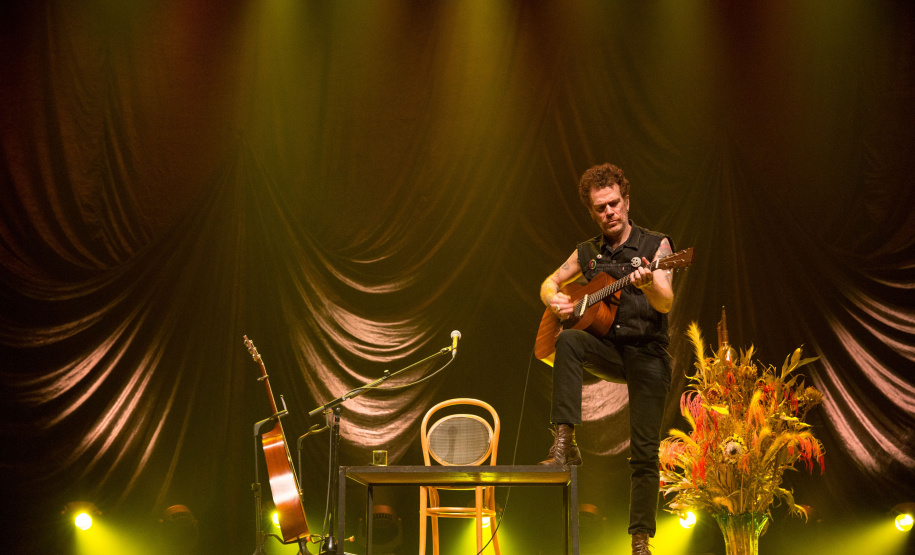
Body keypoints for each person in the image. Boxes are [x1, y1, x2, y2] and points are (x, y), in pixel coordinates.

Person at [538, 163, 674, 555]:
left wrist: (648, 286)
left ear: (627, 201)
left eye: (614, 203)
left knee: (645, 451)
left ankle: (640, 540)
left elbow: (666, 300)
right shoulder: (587, 253)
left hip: (648, 352)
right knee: (568, 340)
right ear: (592, 212)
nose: (609, 212)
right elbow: (549, 282)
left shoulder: (656, 247)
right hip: (609, 352)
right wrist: (554, 298)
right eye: (600, 208)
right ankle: (564, 441)